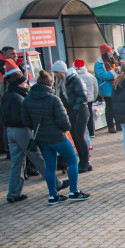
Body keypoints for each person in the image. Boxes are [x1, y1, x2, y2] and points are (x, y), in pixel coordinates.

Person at [21, 70, 86, 205]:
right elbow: (64, 121)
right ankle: (73, 191)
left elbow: (25, 121)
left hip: (41, 138)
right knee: (72, 160)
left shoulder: (28, 99)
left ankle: (53, 195)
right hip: (57, 136)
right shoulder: (53, 98)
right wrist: (65, 128)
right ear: (50, 84)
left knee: (50, 166)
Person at [2, 71, 47, 203]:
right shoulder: (18, 98)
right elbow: (23, 117)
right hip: (22, 131)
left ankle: (13, 193)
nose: (26, 84)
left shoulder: (7, 96)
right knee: (37, 157)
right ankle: (55, 183)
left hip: (10, 131)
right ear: (19, 83)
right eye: (24, 82)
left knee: (17, 163)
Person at [51, 60, 91, 173]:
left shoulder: (74, 79)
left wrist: (75, 110)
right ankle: (82, 161)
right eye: (54, 73)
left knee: (79, 136)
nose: (55, 75)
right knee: (75, 137)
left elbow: (83, 97)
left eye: (57, 72)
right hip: (72, 112)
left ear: (63, 71)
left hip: (80, 113)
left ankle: (85, 161)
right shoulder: (61, 82)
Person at [94, 44, 120, 132]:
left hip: (115, 86)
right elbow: (102, 75)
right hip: (106, 88)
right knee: (110, 108)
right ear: (105, 53)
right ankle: (111, 126)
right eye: (109, 52)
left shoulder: (112, 61)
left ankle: (118, 124)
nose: (111, 53)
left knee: (117, 107)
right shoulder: (98, 64)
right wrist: (114, 72)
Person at [74, 60, 98, 143]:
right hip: (90, 98)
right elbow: (96, 88)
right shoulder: (90, 76)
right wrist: (94, 97)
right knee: (90, 115)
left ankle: (84, 134)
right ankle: (92, 132)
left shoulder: (74, 77)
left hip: (78, 100)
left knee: (81, 117)